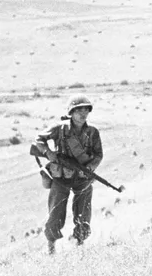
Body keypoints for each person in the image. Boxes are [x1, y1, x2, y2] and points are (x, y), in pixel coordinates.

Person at [30, 95, 103, 254]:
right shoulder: (60, 128)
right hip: (61, 177)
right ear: (71, 112)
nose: (83, 114)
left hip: (83, 177)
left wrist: (90, 167)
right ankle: (51, 250)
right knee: (55, 213)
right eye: (79, 110)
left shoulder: (92, 132)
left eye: (86, 110)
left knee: (84, 212)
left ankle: (80, 245)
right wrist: (48, 152)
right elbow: (39, 140)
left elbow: (98, 155)